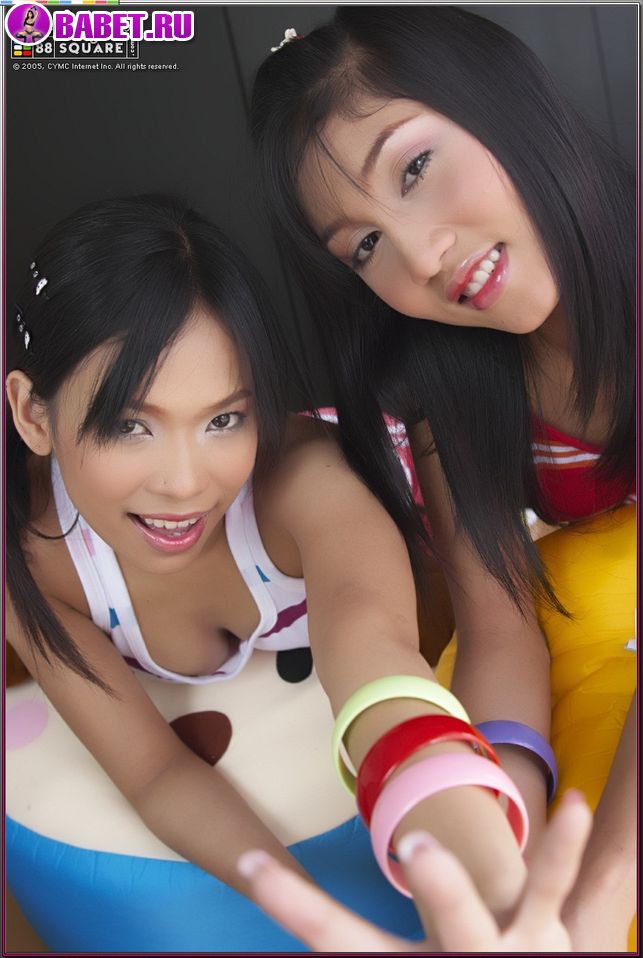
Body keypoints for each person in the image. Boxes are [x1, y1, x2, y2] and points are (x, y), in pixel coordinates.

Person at [7, 193, 558, 949]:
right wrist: (313, 916)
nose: (184, 482)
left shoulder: (305, 486)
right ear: (33, 414)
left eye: (223, 419)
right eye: (130, 425)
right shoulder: (32, 558)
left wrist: (486, 872)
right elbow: (154, 773)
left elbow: (376, 668)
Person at [250, 6, 636, 951]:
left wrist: (591, 905)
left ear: (504, 100)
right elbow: (501, 636)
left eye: (413, 167)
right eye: (364, 247)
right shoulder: (445, 387)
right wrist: (510, 862)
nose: (421, 256)